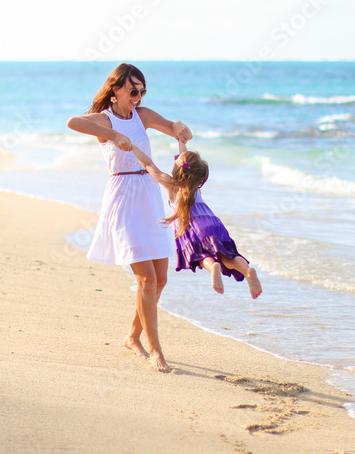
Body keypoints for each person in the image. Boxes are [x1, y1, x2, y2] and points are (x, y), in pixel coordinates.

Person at [66, 63, 191, 373]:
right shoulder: (104, 119)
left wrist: (179, 127)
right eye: (133, 90)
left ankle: (132, 337)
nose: (138, 96)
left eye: (142, 91)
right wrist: (111, 134)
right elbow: (73, 122)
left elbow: (172, 128)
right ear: (116, 89)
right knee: (146, 279)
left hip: (150, 196)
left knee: (160, 279)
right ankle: (155, 349)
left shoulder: (142, 115)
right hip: (123, 200)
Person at [128, 140, 262, 300]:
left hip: (193, 227)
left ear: (179, 169)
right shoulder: (195, 187)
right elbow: (186, 160)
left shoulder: (171, 185)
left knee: (200, 256)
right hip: (213, 222)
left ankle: (212, 267)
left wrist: (133, 147)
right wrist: (181, 141)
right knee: (228, 256)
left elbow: (149, 164)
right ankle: (247, 271)